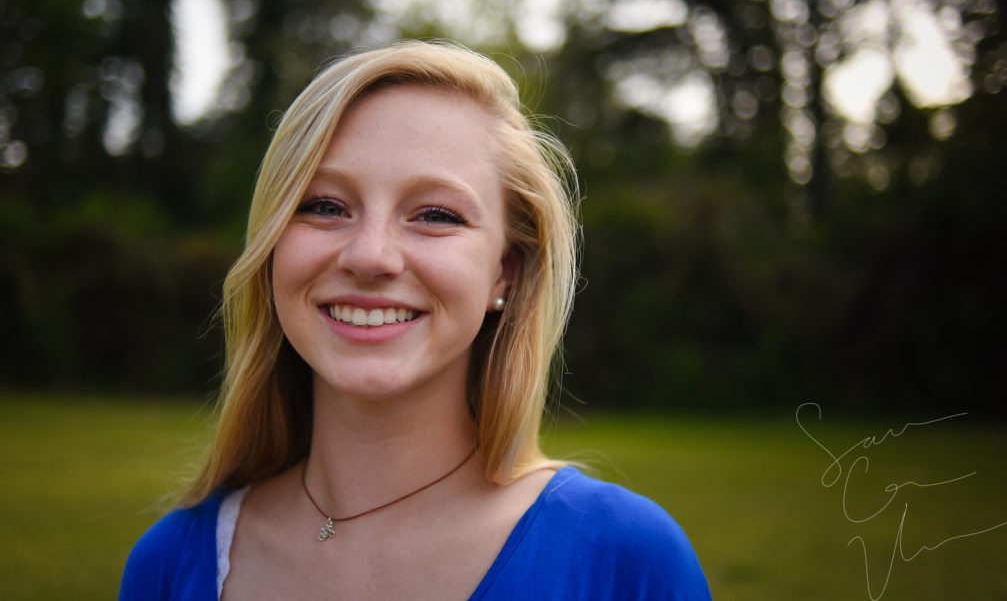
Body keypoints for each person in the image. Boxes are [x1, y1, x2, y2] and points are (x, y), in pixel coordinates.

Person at [120, 40, 711, 600]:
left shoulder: (625, 560)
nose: (370, 256)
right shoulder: (170, 562)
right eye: (325, 205)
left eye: (435, 214)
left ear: (504, 272)